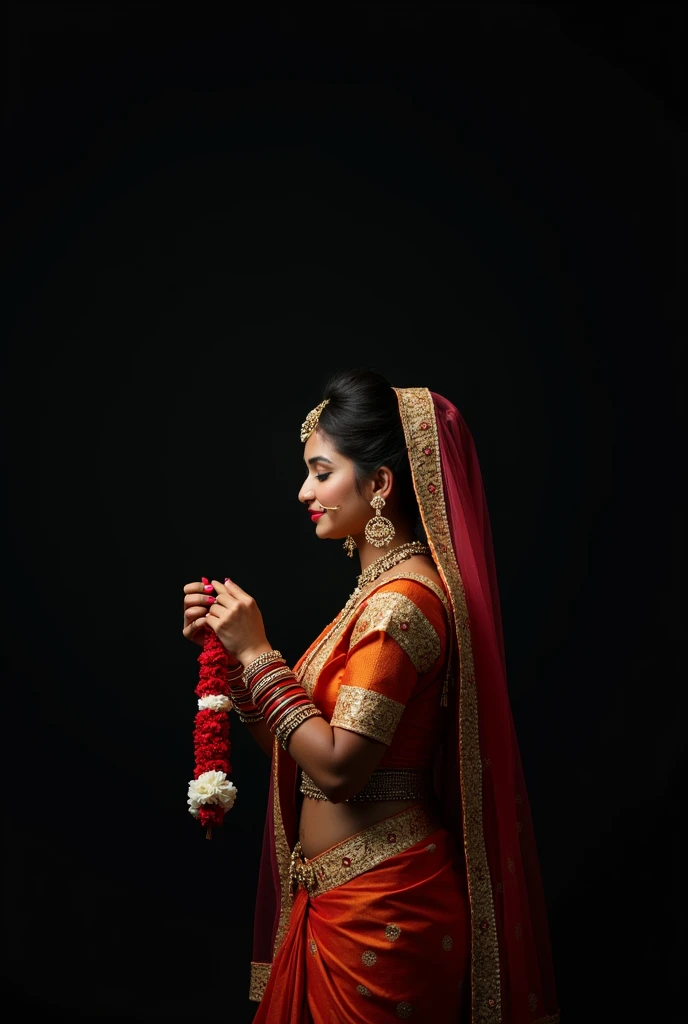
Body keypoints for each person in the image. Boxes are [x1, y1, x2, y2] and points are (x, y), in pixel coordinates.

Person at [182, 369, 560, 1023]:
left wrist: (256, 651)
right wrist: (240, 668)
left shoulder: (401, 605)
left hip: (384, 912)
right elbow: (295, 751)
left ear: (380, 483)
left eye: (321, 472)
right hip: (338, 902)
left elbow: (338, 769)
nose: (305, 491)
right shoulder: (372, 600)